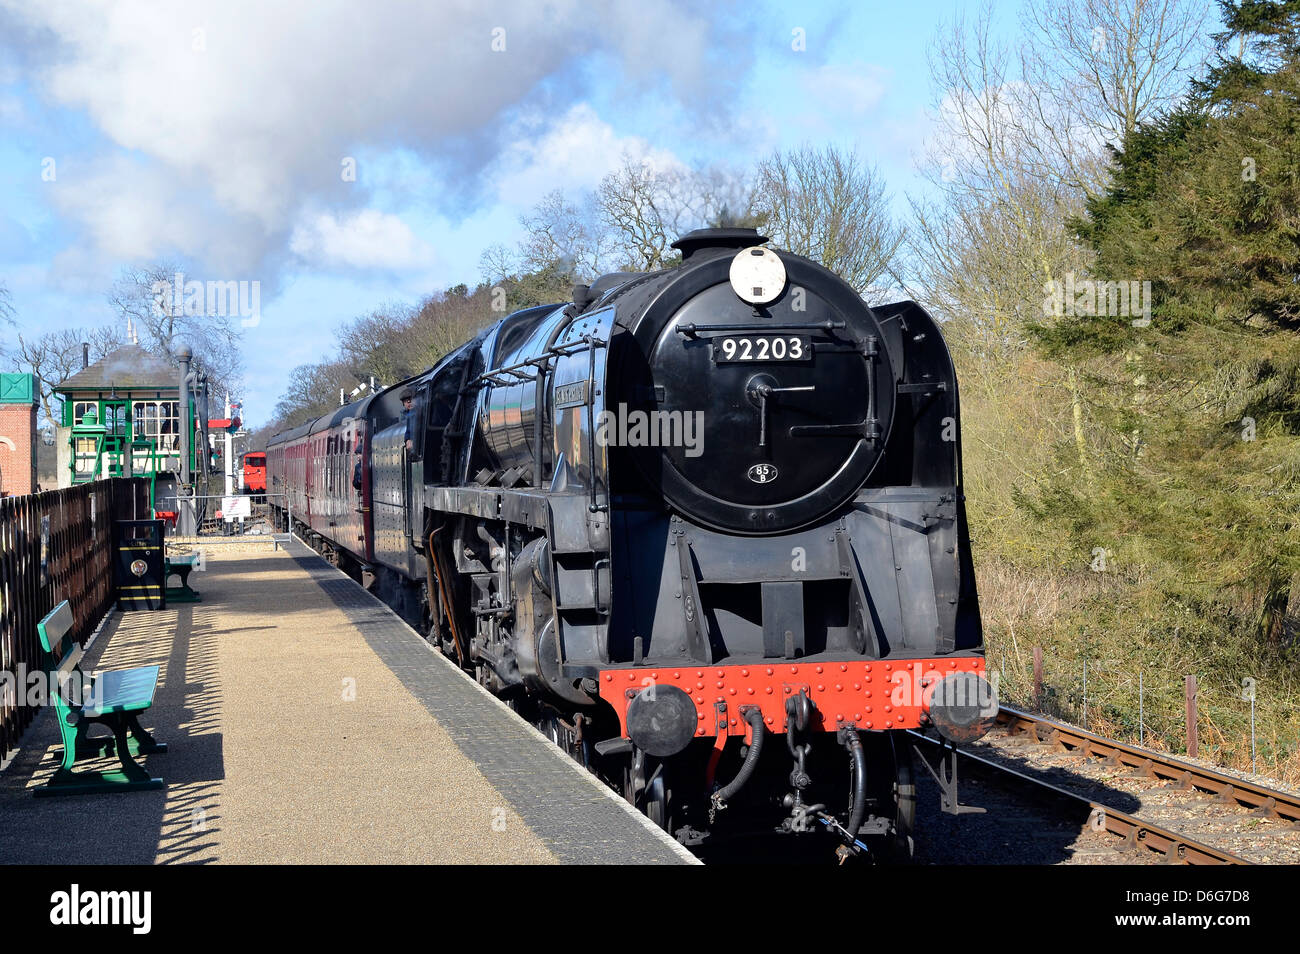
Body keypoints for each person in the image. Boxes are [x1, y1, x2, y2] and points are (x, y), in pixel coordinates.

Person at [400, 388, 415, 454]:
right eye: (406, 401)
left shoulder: (420, 413)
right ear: (403, 403)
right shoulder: (408, 415)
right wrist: (407, 440)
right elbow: (408, 430)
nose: (409, 402)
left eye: (410, 399)